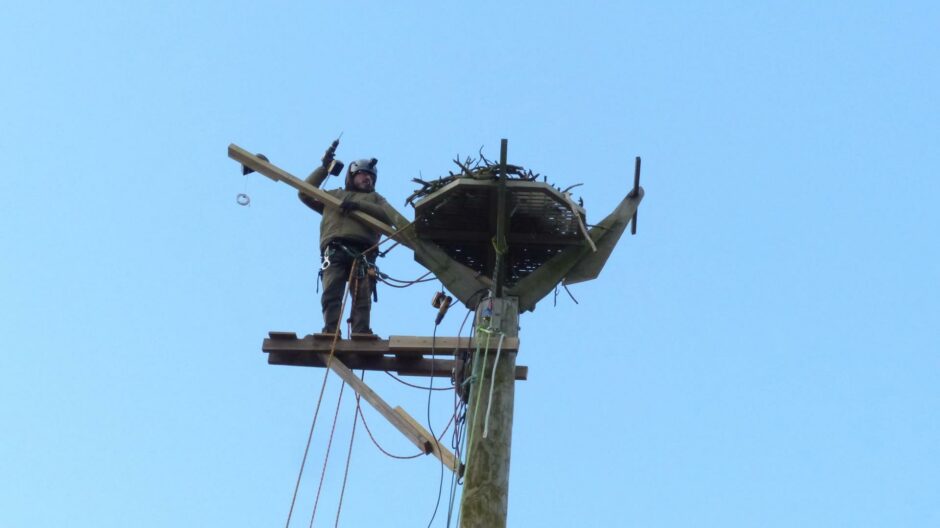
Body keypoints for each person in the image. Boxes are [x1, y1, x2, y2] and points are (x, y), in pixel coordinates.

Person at [299, 144, 393, 337]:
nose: (368, 179)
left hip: (363, 253)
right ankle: (330, 331)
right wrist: (324, 168)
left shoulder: (375, 199)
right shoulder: (334, 196)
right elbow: (304, 193)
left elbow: (389, 215)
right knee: (331, 292)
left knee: (362, 295)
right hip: (335, 250)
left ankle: (361, 332)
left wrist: (358, 206)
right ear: (352, 175)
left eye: (371, 177)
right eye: (363, 174)